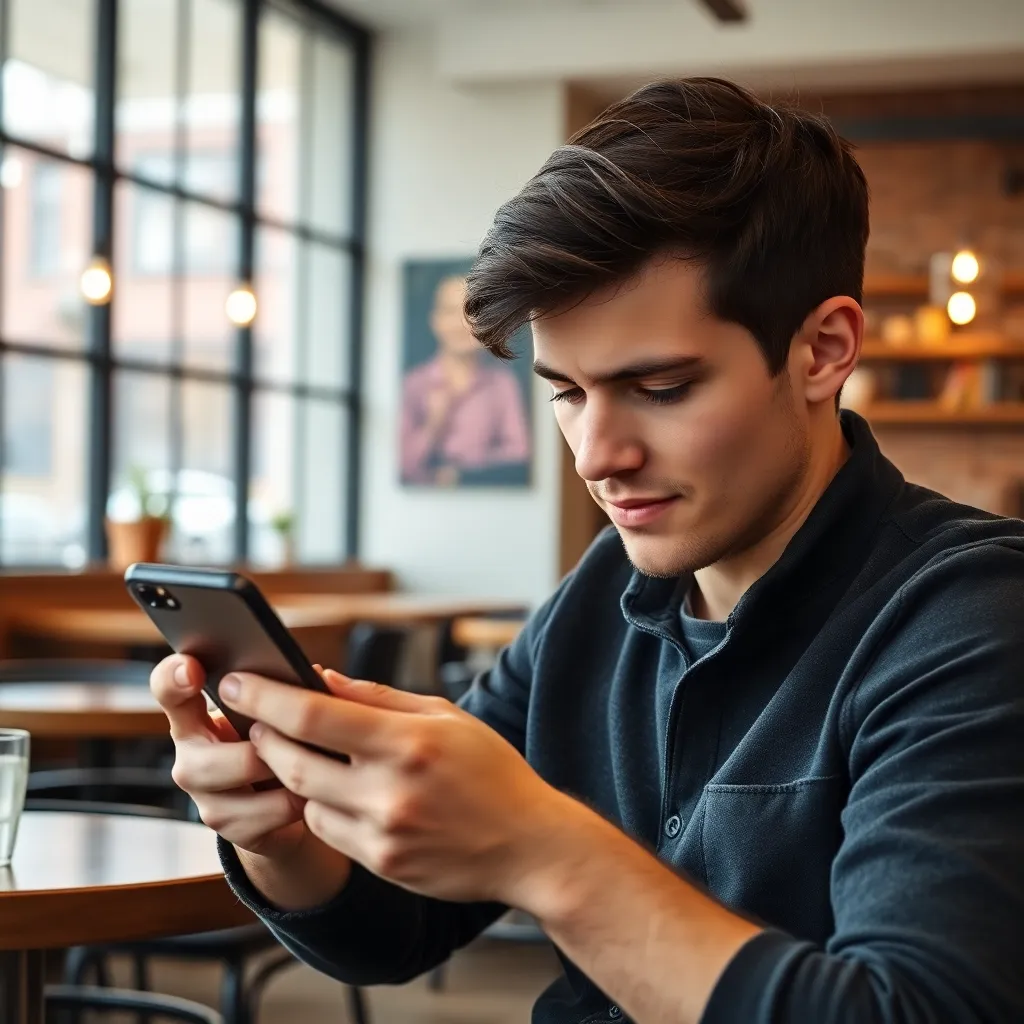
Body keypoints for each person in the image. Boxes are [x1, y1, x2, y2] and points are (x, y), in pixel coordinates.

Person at [153, 78, 1024, 1023]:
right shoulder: (599, 593)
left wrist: (544, 848)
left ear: (822, 351)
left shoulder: (974, 619)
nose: (598, 457)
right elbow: (397, 930)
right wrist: (282, 832)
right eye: (565, 391)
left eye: (658, 386)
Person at [399, 274, 530, 485]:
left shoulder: (502, 383)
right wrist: (433, 426)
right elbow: (402, 465)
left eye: (472, 312)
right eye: (451, 311)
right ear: (435, 320)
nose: (462, 324)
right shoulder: (414, 384)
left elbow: (519, 452)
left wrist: (465, 473)